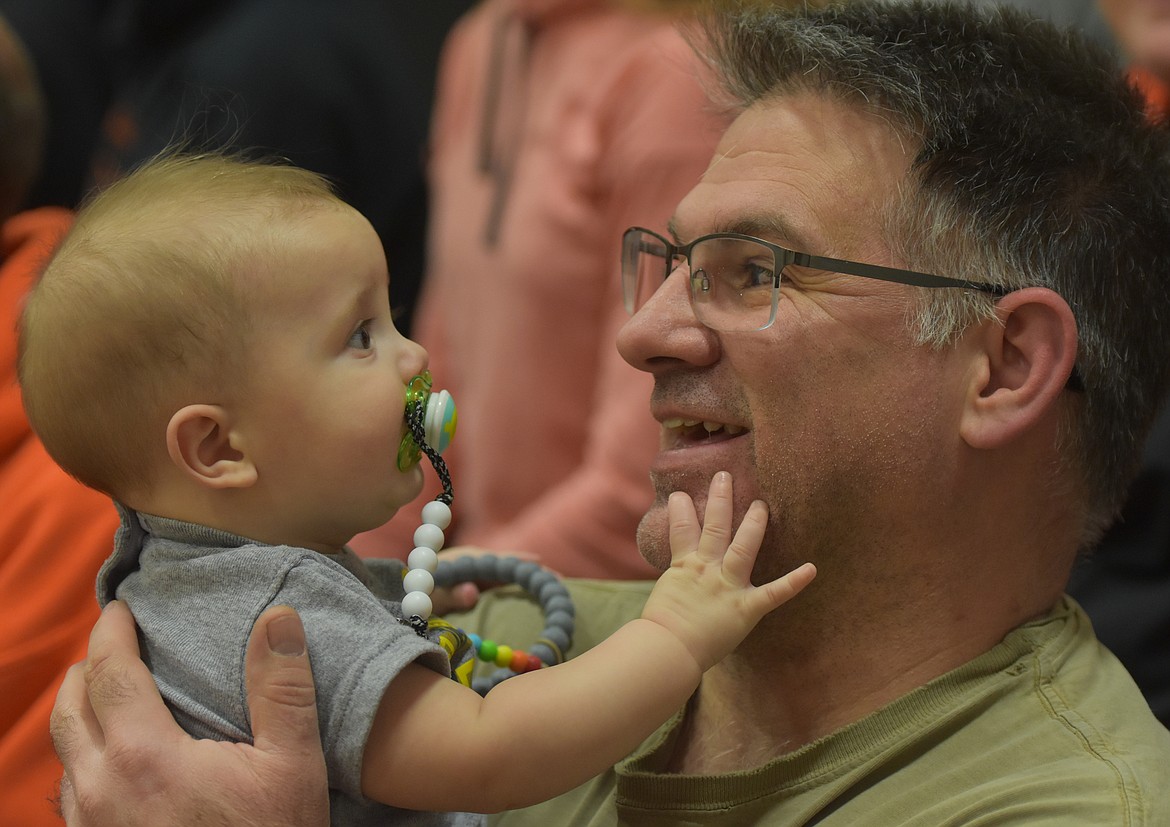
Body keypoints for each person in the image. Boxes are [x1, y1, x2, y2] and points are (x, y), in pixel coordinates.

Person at [50, 1, 1170, 824]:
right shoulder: (525, 641)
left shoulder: (1061, 803)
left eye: (756, 270)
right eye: (672, 262)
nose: (643, 333)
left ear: (1006, 365)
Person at [20, 152, 815, 825]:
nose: (413, 356)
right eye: (359, 336)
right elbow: (485, 749)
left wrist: (388, 594)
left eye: (392, 317)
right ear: (219, 446)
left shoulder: (180, 573)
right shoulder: (281, 605)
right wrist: (674, 633)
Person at [349, 0, 734, 578]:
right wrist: (348, 574)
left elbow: (645, 484)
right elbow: (435, 379)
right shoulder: (483, 40)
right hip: (484, 577)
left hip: (604, 607)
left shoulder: (676, 68)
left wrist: (425, 596)